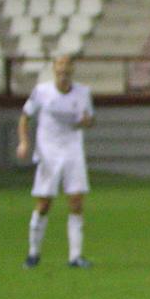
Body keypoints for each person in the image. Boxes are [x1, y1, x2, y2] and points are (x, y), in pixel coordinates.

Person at [17, 56, 94, 269]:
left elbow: (89, 119)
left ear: (72, 69)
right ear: (54, 69)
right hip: (48, 152)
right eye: (59, 64)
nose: (63, 69)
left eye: (67, 65)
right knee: (44, 204)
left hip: (73, 150)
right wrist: (24, 142)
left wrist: (86, 121)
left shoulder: (83, 92)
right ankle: (33, 253)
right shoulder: (42, 91)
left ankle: (75, 256)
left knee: (76, 202)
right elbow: (24, 117)